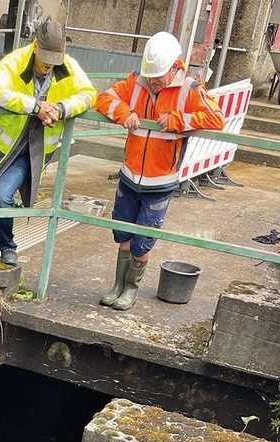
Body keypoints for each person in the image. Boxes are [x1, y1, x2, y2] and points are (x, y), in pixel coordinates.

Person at [95, 31, 224, 311]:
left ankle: (131, 289)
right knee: (124, 234)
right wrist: (124, 113)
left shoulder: (189, 88)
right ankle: (118, 285)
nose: (153, 82)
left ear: (175, 67)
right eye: (150, 76)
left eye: (159, 77)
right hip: (130, 176)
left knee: (143, 241)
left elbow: (216, 117)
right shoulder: (136, 82)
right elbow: (104, 98)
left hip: (160, 181)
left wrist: (178, 119)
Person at [0, 17, 96, 266]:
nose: (48, 67)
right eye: (45, 61)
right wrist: (35, 107)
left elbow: (88, 95)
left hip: (32, 150)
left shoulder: (68, 67)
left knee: (1, 197)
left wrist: (62, 109)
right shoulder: (15, 61)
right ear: (35, 47)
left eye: (54, 62)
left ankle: (7, 248)